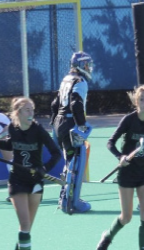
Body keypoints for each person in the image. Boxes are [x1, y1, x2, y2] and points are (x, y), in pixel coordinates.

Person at [96, 85, 144, 250]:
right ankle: (107, 237)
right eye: (142, 99)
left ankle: (143, 247)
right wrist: (120, 156)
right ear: (136, 102)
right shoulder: (129, 120)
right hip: (127, 173)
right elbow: (110, 143)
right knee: (126, 217)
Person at [0, 97, 61, 250]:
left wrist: (45, 169)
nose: (31, 113)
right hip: (17, 179)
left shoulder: (38, 130)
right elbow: (10, 145)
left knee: (26, 228)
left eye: (32, 110)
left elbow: (56, 153)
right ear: (18, 113)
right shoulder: (13, 128)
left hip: (36, 180)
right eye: (27, 110)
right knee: (25, 224)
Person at [51, 51, 94, 213]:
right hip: (70, 122)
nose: (89, 67)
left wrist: (54, 124)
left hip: (59, 122)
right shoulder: (80, 82)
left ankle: (64, 196)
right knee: (77, 161)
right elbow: (76, 104)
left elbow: (54, 104)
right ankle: (72, 201)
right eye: (87, 64)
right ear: (81, 65)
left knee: (69, 161)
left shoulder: (66, 79)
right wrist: (81, 125)